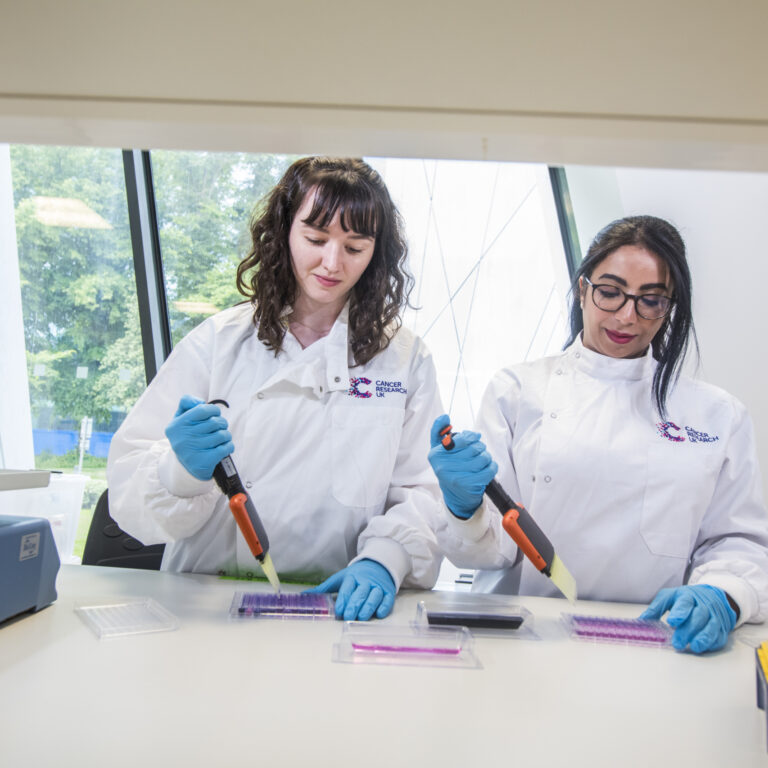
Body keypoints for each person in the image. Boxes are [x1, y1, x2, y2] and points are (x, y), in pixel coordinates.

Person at [107, 156, 444, 621]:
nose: (332, 262)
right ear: (285, 231)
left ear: (376, 253)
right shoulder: (218, 342)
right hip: (207, 604)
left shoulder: (404, 359)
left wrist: (385, 560)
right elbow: (126, 488)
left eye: (354, 246)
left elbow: (421, 491)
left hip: (335, 606)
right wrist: (178, 471)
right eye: (315, 238)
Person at [428, 215, 768, 653]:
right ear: (582, 289)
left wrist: (722, 592)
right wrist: (465, 507)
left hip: (655, 639)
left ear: (670, 309)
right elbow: (487, 553)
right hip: (526, 640)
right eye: (610, 292)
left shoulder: (716, 415)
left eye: (651, 301)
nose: (628, 316)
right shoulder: (519, 391)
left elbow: (736, 541)